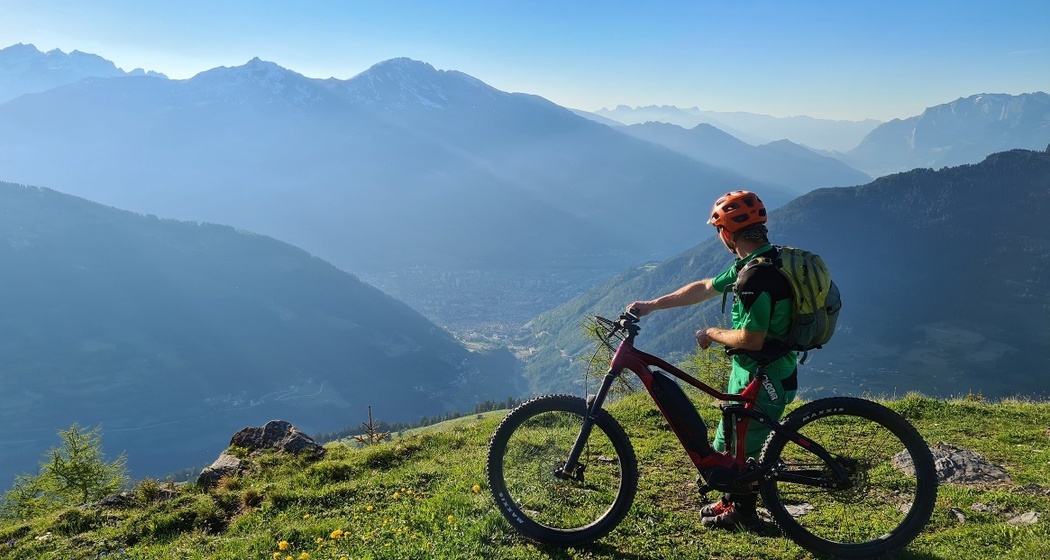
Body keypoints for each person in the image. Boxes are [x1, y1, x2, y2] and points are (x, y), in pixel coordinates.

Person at [627, 190, 798, 531]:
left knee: (744, 453)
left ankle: (745, 516)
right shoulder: (757, 262)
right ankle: (730, 498)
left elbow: (752, 338)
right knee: (726, 443)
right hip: (749, 371)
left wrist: (711, 333)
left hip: (765, 379)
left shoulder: (755, 278)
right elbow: (704, 287)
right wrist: (652, 304)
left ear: (726, 233)